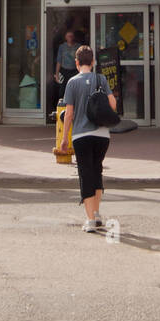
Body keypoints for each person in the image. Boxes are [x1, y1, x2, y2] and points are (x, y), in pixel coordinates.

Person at [60, 45, 118, 233]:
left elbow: (68, 114)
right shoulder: (101, 79)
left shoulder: (72, 83)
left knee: (86, 175)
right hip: (102, 135)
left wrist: (64, 138)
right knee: (97, 171)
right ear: (93, 62)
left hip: (81, 135)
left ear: (77, 62)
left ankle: (90, 220)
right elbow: (113, 103)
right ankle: (97, 212)